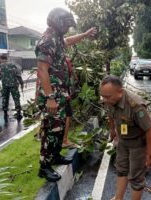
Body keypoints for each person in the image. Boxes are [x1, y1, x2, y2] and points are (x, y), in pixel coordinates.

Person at [35, 7, 97, 182]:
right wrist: (50, 98)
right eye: (66, 25)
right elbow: (42, 70)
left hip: (60, 95)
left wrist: (84, 35)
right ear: (58, 22)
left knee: (59, 129)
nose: (67, 29)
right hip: (52, 97)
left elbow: (69, 40)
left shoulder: (57, 39)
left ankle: (55, 157)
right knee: (50, 131)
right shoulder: (47, 40)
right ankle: (44, 167)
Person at [100, 75, 151, 200]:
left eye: (107, 97)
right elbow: (111, 114)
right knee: (121, 169)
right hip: (123, 141)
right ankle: (118, 198)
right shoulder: (110, 99)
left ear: (120, 92)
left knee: (136, 177)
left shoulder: (136, 106)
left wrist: (150, 154)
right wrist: (112, 129)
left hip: (137, 144)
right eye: (102, 96)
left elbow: (150, 129)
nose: (104, 100)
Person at [0, 54, 24, 121]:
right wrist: (21, 83)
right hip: (13, 85)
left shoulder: (0, 66)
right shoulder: (13, 65)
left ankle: (5, 113)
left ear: (1, 59)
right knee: (16, 98)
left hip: (5, 85)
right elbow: (18, 75)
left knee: (5, 99)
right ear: (7, 58)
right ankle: (18, 113)